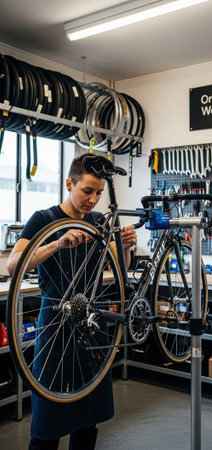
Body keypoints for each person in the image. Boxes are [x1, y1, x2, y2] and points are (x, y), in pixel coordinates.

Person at [7, 152, 137, 450]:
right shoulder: (44, 219)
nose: (93, 200)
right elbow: (14, 265)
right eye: (87, 191)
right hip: (56, 327)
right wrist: (57, 242)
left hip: (92, 325)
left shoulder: (97, 222)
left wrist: (126, 246)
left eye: (99, 193)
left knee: (87, 422)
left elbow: (121, 267)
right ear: (69, 183)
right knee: (47, 423)